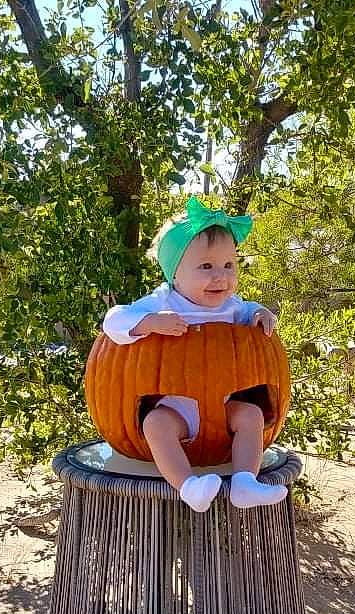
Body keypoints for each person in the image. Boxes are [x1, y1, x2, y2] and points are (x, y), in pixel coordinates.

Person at [103, 196, 288, 513]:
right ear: (175, 274)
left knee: (251, 416)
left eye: (229, 265)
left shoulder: (232, 307)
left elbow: (248, 310)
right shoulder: (164, 302)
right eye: (206, 266)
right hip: (176, 409)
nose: (221, 276)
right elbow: (113, 321)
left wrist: (260, 314)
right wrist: (150, 323)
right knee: (155, 425)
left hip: (222, 409)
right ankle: (188, 485)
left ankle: (245, 481)